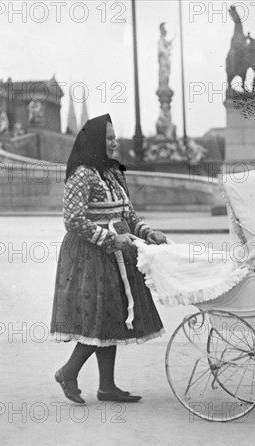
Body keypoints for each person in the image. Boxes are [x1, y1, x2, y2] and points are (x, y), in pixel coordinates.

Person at [50, 114, 167, 404]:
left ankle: (106, 386)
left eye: (114, 138)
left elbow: (127, 214)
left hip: (118, 250)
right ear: (94, 141)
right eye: (109, 139)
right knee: (99, 315)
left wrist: (147, 232)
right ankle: (68, 371)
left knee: (114, 314)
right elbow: (73, 220)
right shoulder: (82, 174)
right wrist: (110, 239)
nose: (114, 144)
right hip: (90, 254)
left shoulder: (113, 173)